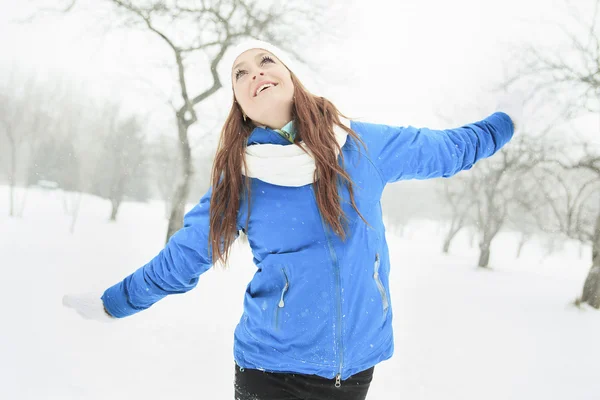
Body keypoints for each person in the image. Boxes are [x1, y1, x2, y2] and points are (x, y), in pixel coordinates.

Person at [63, 39, 520, 400]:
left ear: (290, 78)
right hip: (269, 370)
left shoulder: (362, 147)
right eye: (240, 74)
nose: (254, 72)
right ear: (240, 106)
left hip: (354, 369)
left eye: (265, 61)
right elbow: (181, 260)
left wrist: (508, 119)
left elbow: (450, 150)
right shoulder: (239, 179)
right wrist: (113, 302)